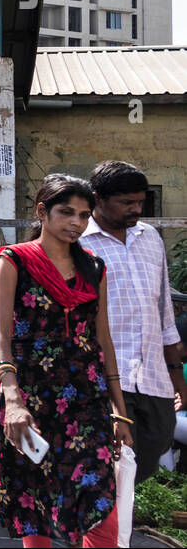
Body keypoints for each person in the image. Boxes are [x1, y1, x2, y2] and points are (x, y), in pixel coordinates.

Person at [0, 175, 133, 547]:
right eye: (67, 212)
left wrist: (119, 410)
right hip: (30, 394)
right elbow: (1, 333)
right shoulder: (15, 259)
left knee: (100, 503)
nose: (76, 223)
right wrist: (13, 399)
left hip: (85, 396)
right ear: (42, 211)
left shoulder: (94, 267)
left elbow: (103, 338)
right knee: (34, 498)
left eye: (84, 216)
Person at [80, 160, 187, 484]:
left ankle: (107, 526)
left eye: (140, 201)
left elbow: (164, 312)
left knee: (152, 451)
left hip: (153, 377)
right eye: (127, 202)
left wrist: (177, 379)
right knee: (110, 467)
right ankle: (100, 530)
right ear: (98, 199)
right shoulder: (80, 243)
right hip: (107, 376)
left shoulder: (150, 237)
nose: (136, 209)